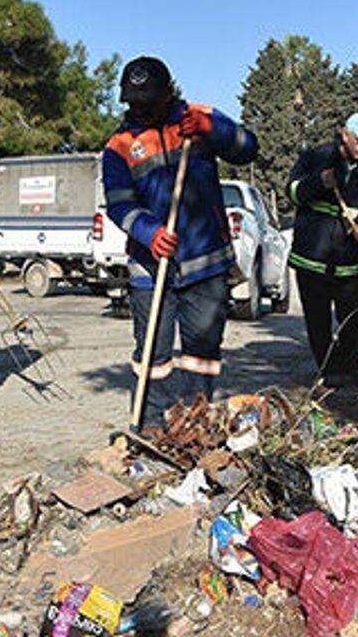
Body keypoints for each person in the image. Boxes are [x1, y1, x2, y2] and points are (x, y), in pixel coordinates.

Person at [101, 56, 258, 431]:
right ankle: (150, 424)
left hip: (206, 263)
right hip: (150, 270)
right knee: (152, 354)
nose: (139, 109)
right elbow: (119, 204)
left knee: (202, 352)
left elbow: (248, 148)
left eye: (147, 101)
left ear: (168, 92)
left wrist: (213, 129)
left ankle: (194, 423)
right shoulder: (118, 146)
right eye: (133, 102)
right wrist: (149, 232)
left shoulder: (199, 118)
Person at [286, 113, 358, 388]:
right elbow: (292, 192)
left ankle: (353, 367)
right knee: (318, 322)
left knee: (353, 318)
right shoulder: (316, 157)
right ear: (345, 135)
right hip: (312, 259)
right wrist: (318, 182)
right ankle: (329, 370)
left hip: (349, 260)